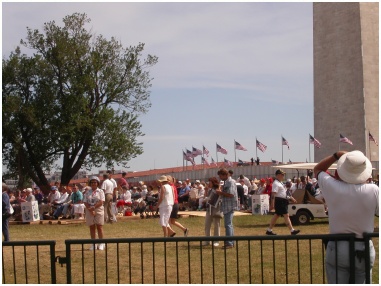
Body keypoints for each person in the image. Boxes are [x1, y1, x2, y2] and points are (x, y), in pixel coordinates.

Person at [314, 150, 378, 284]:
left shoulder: (332, 186)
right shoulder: (374, 190)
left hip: (338, 246)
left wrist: (336, 155)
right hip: (363, 246)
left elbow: (318, 169)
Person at [266, 169, 299, 235]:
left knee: (276, 215)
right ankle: (292, 230)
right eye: (282, 174)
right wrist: (272, 204)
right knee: (286, 215)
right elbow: (273, 194)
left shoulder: (280, 183)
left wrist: (291, 198)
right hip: (280, 201)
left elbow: (284, 193)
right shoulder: (275, 183)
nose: (283, 176)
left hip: (283, 201)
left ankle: (269, 230)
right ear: (278, 175)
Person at [216, 168, 238, 249]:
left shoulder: (230, 182)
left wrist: (220, 192)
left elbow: (231, 194)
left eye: (221, 176)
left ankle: (229, 243)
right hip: (227, 205)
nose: (220, 178)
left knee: (228, 225)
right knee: (229, 225)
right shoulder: (227, 182)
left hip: (229, 205)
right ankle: (230, 241)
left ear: (225, 175)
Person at [83, 176, 105, 251]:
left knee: (99, 226)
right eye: (92, 182)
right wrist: (90, 208)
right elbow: (85, 201)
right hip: (89, 210)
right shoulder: (87, 192)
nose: (93, 184)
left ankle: (101, 243)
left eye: (95, 182)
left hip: (98, 209)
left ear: (97, 183)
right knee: (92, 227)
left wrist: (94, 207)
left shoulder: (101, 191)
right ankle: (93, 243)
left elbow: (101, 201)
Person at [203, 177, 222, 247]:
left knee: (216, 225)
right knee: (207, 225)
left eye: (210, 182)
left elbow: (219, 198)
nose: (208, 183)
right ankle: (207, 240)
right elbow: (207, 197)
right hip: (209, 209)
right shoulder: (210, 190)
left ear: (213, 183)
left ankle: (216, 240)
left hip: (216, 209)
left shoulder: (217, 189)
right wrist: (206, 191)